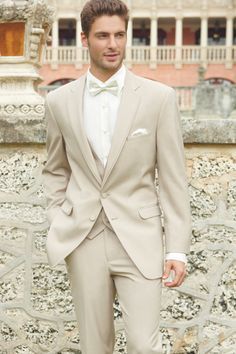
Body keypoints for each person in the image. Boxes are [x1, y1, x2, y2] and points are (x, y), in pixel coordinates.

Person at [42, 0, 192, 353]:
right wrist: (58, 218)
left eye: (120, 35)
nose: (113, 44)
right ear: (84, 39)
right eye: (103, 36)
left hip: (140, 238)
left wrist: (178, 249)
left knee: (144, 344)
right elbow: (54, 170)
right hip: (84, 238)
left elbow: (173, 180)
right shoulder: (59, 101)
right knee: (95, 346)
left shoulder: (159, 98)